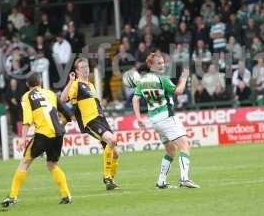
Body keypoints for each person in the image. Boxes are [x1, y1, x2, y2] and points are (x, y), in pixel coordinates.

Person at [1, 73, 73, 208]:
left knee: (25, 162)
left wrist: (22, 139)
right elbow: (68, 114)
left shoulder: (27, 96)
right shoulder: (50, 93)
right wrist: (61, 125)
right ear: (40, 83)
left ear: (28, 86)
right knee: (52, 164)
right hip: (58, 134)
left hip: (43, 133)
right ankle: (66, 195)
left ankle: (12, 197)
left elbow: (27, 120)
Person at [132, 53, 200, 189]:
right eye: (159, 63)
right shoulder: (162, 79)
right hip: (167, 117)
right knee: (185, 146)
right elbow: (179, 91)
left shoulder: (143, 80)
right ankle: (184, 178)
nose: (162, 65)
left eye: (163, 63)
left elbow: (135, 99)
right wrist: (184, 78)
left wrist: (139, 118)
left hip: (154, 121)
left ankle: (161, 182)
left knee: (171, 151)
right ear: (151, 65)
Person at [60, 58, 120, 190]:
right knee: (112, 139)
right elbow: (63, 99)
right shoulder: (76, 84)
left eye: (86, 66)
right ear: (77, 70)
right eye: (82, 67)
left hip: (101, 119)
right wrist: (70, 81)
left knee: (116, 152)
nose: (85, 69)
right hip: (90, 121)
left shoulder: (91, 85)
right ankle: (107, 177)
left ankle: (111, 181)